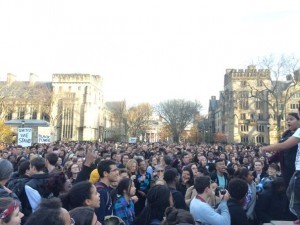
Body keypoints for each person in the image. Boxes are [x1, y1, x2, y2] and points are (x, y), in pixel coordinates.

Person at [268, 112, 299, 187]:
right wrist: (271, 159)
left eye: (291, 119)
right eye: (287, 120)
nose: (288, 121)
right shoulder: (285, 134)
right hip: (286, 168)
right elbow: (281, 151)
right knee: (288, 190)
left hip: (296, 168)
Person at [95, 160, 119, 224]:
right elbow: (100, 219)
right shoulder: (101, 192)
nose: (117, 173)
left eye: (117, 170)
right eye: (114, 170)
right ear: (105, 173)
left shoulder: (105, 189)